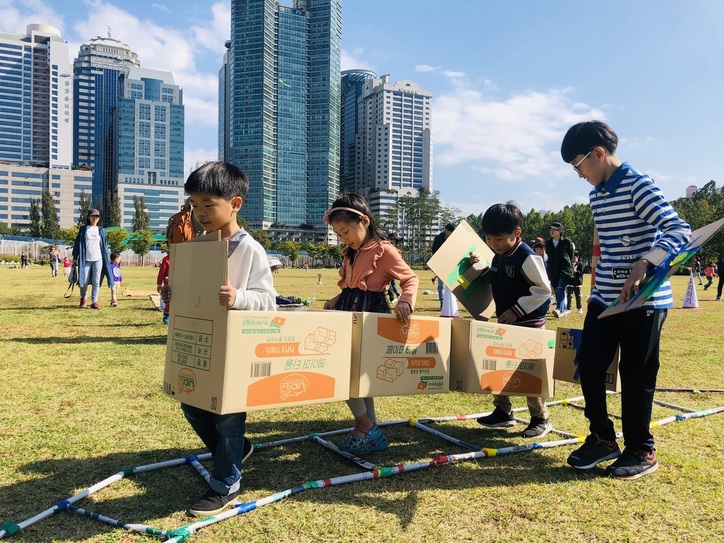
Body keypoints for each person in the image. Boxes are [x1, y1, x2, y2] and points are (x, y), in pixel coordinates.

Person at [560, 120, 690, 479]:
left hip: (645, 301)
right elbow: (606, 248)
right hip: (605, 299)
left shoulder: (637, 185)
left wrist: (645, 261)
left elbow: (679, 230)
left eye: (578, 164)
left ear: (599, 154)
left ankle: (641, 449)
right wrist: (596, 290)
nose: (578, 174)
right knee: (588, 363)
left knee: (636, 373)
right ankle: (602, 437)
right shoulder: (595, 195)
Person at [162, 161, 276, 517]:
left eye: (208, 205)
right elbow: (193, 294)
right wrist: (172, 294)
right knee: (191, 403)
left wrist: (238, 297)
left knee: (227, 414)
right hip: (202, 343)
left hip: (236, 347)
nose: (200, 213)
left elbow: (268, 302)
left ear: (235, 204)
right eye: (194, 205)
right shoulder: (197, 247)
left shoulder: (249, 249)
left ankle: (226, 481)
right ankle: (237, 449)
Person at [323, 193, 418, 456]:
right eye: (338, 234)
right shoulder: (350, 253)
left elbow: (410, 279)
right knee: (354, 377)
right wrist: (335, 299)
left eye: (345, 231)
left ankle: (364, 427)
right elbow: (352, 288)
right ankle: (371, 429)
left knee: (348, 375)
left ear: (364, 221)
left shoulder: (384, 250)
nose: (343, 238)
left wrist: (406, 301)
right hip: (347, 314)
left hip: (370, 317)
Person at [472, 202, 553, 438]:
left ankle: (540, 418)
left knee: (529, 370)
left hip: (529, 324)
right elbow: (497, 278)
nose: (492, 244)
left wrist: (518, 310)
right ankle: (503, 412)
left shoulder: (527, 256)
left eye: (497, 239)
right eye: (488, 238)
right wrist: (480, 268)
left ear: (516, 233)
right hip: (506, 323)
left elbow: (543, 289)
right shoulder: (499, 256)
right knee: (497, 366)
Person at [72, 209, 114, 309]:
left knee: (96, 281)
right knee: (84, 280)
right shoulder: (83, 229)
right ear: (88, 217)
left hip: (98, 259)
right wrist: (74, 257)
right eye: (93, 216)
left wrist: (106, 258)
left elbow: (104, 246)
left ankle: (94, 301)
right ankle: (83, 298)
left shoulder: (101, 230)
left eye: (97, 216)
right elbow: (77, 244)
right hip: (85, 259)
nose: (95, 218)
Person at [545, 222, 575, 318]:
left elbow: (571, 255)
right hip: (553, 271)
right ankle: (564, 309)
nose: (552, 231)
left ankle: (559, 309)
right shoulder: (548, 243)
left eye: (554, 229)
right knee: (557, 288)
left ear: (560, 231)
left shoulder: (567, 242)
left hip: (565, 270)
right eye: (551, 229)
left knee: (560, 288)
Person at [430, 223, 455, 309]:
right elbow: (434, 251)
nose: (452, 233)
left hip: (451, 263)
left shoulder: (453, 239)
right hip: (440, 263)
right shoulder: (438, 239)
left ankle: (450, 302)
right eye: (451, 231)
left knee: (451, 283)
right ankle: (442, 302)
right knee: (441, 285)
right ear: (446, 230)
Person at [386, 234, 401, 302]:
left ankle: (397, 295)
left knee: (393, 283)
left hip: (392, 269)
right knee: (389, 283)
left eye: (394, 240)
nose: (392, 241)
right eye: (391, 239)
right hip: (386, 269)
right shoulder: (385, 248)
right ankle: (392, 297)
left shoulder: (395, 249)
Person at [157, 253, 170, 324]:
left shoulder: (182, 258)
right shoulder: (166, 259)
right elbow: (162, 272)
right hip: (168, 285)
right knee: (168, 301)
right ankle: (166, 319)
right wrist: (159, 284)